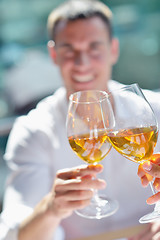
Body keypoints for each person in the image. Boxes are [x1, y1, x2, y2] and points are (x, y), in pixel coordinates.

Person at [1, 0, 160, 239]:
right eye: (69, 49)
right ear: (53, 54)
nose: (82, 62)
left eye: (94, 47)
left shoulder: (154, 110)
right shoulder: (34, 130)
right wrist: (51, 208)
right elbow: (13, 234)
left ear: (113, 50)